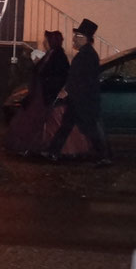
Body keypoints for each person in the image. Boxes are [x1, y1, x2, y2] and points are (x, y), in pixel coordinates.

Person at [43, 18, 110, 163]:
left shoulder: (87, 55)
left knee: (91, 128)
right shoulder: (84, 54)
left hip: (84, 100)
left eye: (78, 37)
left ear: (85, 39)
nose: (74, 39)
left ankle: (104, 156)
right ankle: (53, 152)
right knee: (66, 126)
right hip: (78, 99)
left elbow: (82, 78)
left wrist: (68, 90)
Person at [5, 29, 73, 157]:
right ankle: (27, 146)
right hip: (38, 93)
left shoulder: (58, 56)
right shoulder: (50, 54)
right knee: (29, 119)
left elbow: (60, 76)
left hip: (44, 95)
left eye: (46, 40)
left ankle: (30, 146)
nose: (44, 42)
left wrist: (53, 89)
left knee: (34, 120)